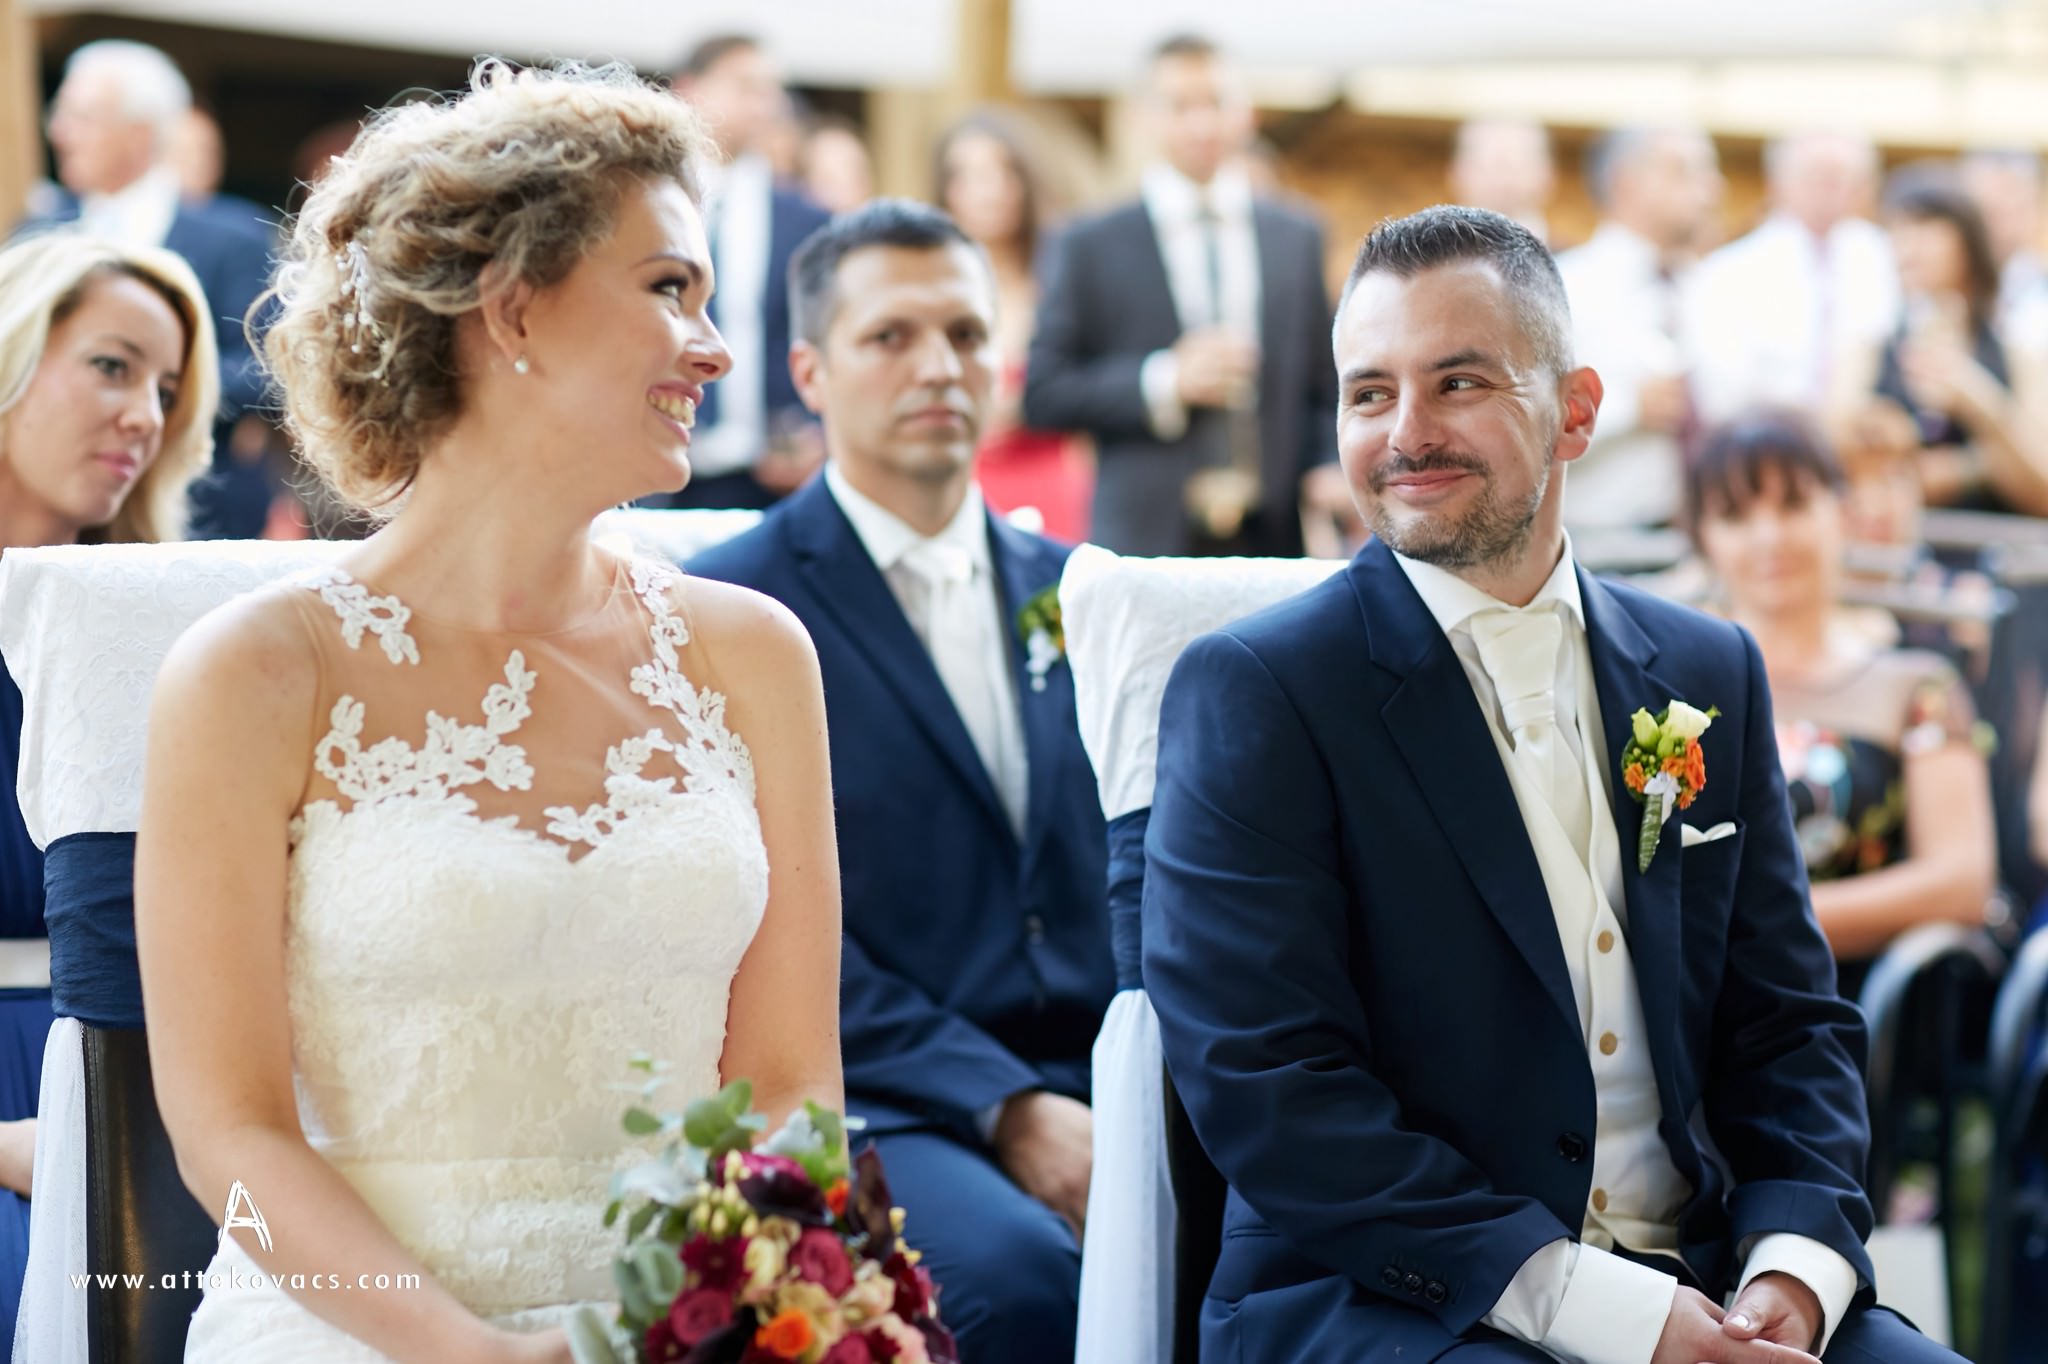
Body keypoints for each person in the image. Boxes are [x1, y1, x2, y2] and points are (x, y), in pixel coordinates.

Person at [1143, 204, 1959, 1362]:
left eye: (1458, 381)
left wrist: (1794, 1261)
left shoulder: (1703, 670)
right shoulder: (1259, 689)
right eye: (1368, 393)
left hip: (1716, 1279)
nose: (1404, 433)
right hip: (1397, 1301)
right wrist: (1604, 1311)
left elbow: (1786, 1019)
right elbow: (1268, 1083)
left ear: (1574, 411)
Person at [132, 62, 841, 1362]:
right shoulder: (252, 674)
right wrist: (476, 1354)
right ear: (514, 308)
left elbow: (793, 1088)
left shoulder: (753, 657)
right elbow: (225, 1141)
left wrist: (716, 1318)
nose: (716, 347)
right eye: (668, 288)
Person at [689, 200, 1114, 1364]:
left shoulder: (1081, 590)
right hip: (871, 1084)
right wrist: (1004, 1104)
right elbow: (748, 918)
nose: (939, 366)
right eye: (891, 335)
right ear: (809, 372)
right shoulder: (732, 605)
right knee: (1022, 1284)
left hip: (1103, 1068)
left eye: (967, 334)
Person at [0, 231, 216, 1351]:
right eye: (111, 366)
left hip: (143, 1081)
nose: (144, 415)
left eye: (167, 390)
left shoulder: (176, 636)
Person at [1686, 412, 1996, 999]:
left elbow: (1961, 882)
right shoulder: (1667, 687)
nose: (1769, 537)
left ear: (1842, 512)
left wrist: (1760, 924)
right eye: (1736, 515)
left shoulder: (1915, 685)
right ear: (1702, 538)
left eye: (1794, 504)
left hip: (1859, 1006)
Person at [1025, 34, 1342, 558]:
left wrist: (1329, 464)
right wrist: (1165, 380)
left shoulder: (1297, 235)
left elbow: (1324, 385)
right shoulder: (1089, 242)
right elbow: (1044, 390)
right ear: (1142, 117)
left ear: (1246, 112)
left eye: (1215, 103)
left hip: (1274, 538)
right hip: (1144, 538)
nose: (1201, 124)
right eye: (1179, 106)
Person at [22, 40, 276, 540]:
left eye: (81, 117)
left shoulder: (234, 238)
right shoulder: (37, 233)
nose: (59, 131)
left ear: (140, 133)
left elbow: (267, 369)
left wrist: (148, 390)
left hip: (196, 514)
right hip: (53, 516)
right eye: (60, 114)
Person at [665, 34, 830, 510]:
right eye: (745, 86)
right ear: (689, 89)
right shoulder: (649, 205)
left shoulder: (806, 220)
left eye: (771, 90)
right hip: (656, 459)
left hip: (766, 474)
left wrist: (813, 428)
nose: (763, 104)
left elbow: (821, 333)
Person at [935, 110, 1092, 543]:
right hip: (960, 485)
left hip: (1052, 482)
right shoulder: (927, 291)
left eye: (1002, 172)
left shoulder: (1061, 280)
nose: (988, 191)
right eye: (969, 176)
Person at [1555, 127, 1722, 530]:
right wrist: (1629, 407)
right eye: (1683, 172)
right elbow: (1522, 422)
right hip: (1600, 540)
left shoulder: (1714, 289)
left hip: (1709, 536)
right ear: (1626, 184)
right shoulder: (1562, 289)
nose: (1711, 189)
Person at [1685, 130, 1900, 430]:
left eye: (1848, 179)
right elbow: (1722, 395)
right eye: (1819, 177)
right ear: (1777, 183)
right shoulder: (1726, 272)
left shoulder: (1882, 254)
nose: (1833, 190)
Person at [1868, 167, 2048, 515]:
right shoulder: (1873, 346)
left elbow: (2042, 487)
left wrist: (1978, 400)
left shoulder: (2019, 351)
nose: (1907, 246)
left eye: (1924, 226)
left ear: (1967, 238)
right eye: (1895, 229)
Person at [1449, 118, 1557, 244]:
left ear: (1548, 173)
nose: (1504, 176)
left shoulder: (1573, 255)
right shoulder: (1432, 252)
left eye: (1517, 163)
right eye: (1489, 164)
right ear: (1456, 172)